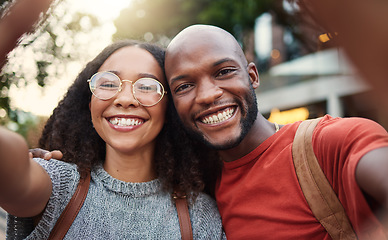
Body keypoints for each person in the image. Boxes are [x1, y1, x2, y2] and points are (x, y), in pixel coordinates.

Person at [163, 24, 388, 239]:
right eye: (184, 86)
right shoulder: (200, 186)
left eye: (224, 72)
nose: (207, 95)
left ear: (252, 76)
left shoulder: (329, 142)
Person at [0, 39, 225, 239]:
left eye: (147, 86)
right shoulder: (57, 185)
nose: (125, 99)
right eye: (108, 84)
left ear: (169, 111)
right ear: (90, 106)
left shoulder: (201, 218)